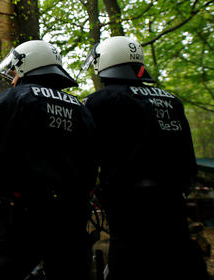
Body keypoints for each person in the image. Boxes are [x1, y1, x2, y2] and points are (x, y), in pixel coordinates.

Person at [83, 36, 208, 280]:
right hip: (172, 202)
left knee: (129, 265)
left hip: (128, 205)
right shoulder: (170, 100)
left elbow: (84, 152)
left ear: (104, 62)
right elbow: (187, 157)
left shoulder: (99, 101)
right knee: (182, 263)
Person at [0, 40, 97, 280]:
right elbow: (91, 163)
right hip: (71, 219)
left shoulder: (14, 98)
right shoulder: (80, 108)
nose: (12, 79)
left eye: (14, 71)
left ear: (27, 65)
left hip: (23, 219)